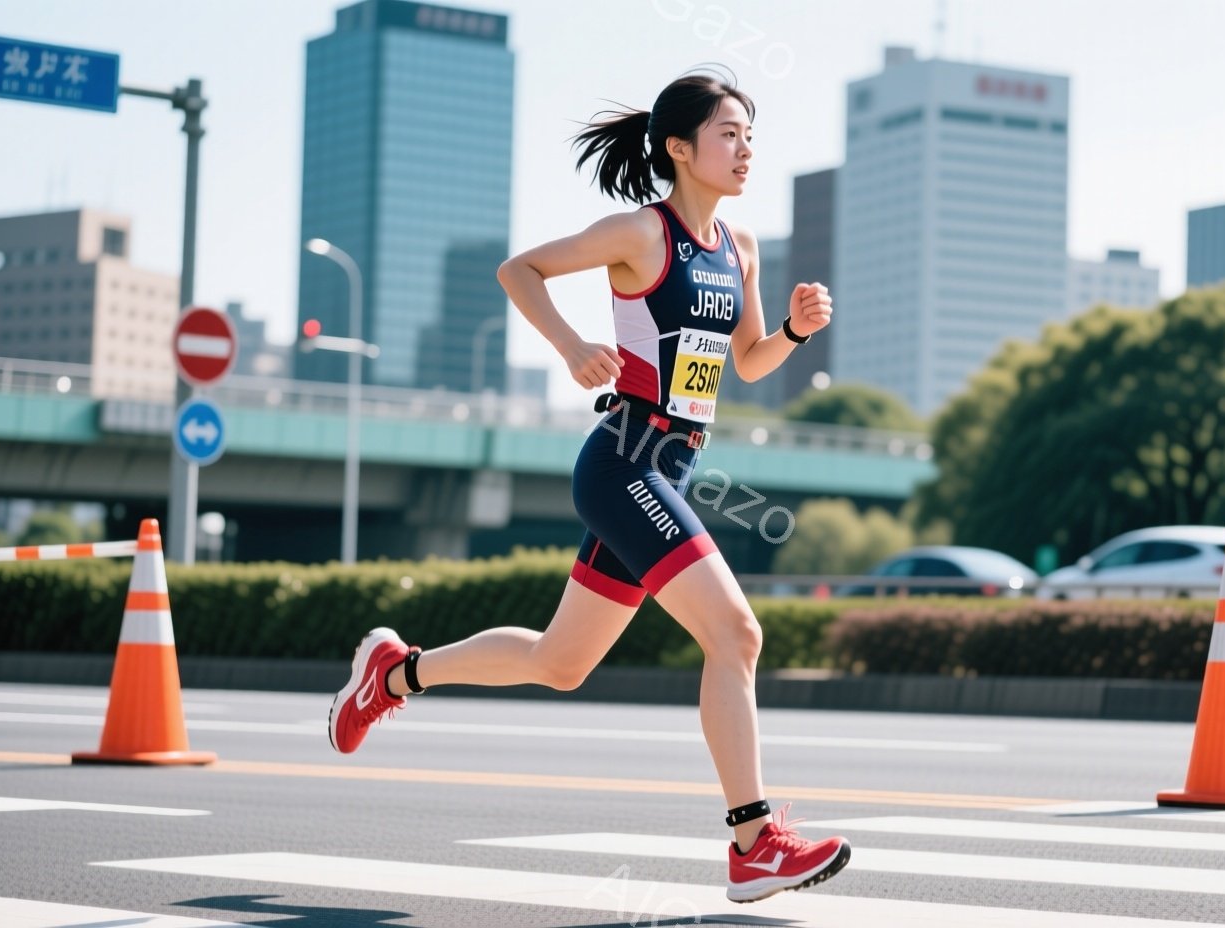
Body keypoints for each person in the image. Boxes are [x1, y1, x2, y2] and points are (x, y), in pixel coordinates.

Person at [327, 69, 846, 903]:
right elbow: (520, 270)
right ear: (679, 148)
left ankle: (393, 673)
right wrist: (572, 349)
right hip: (624, 461)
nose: (745, 150)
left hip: (674, 466)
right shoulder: (642, 233)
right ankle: (754, 841)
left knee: (560, 661)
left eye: (750, 135)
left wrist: (791, 329)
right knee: (737, 635)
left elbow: (747, 362)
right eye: (727, 134)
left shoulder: (738, 247)